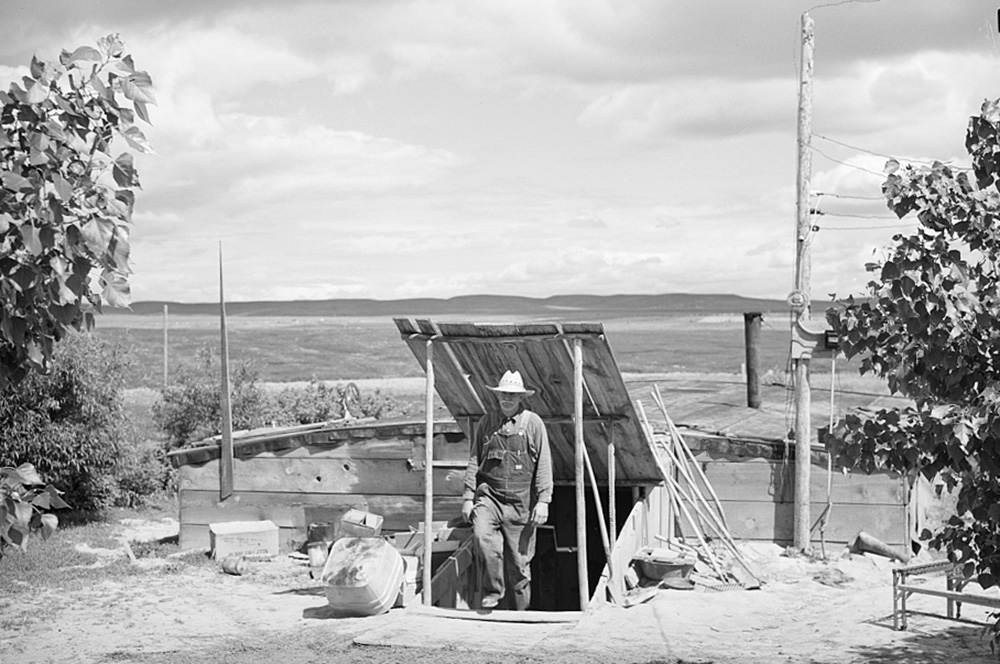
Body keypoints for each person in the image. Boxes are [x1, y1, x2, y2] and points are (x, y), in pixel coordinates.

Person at [462, 369, 553, 610]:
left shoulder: (533, 424)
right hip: (490, 497)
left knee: (519, 565)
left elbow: (544, 463)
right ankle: (493, 591)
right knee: (482, 536)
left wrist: (544, 500)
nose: (507, 399)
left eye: (513, 395)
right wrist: (468, 497)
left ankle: (522, 614)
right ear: (497, 395)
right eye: (504, 394)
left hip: (521, 503)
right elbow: (474, 460)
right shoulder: (487, 423)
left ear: (521, 397)